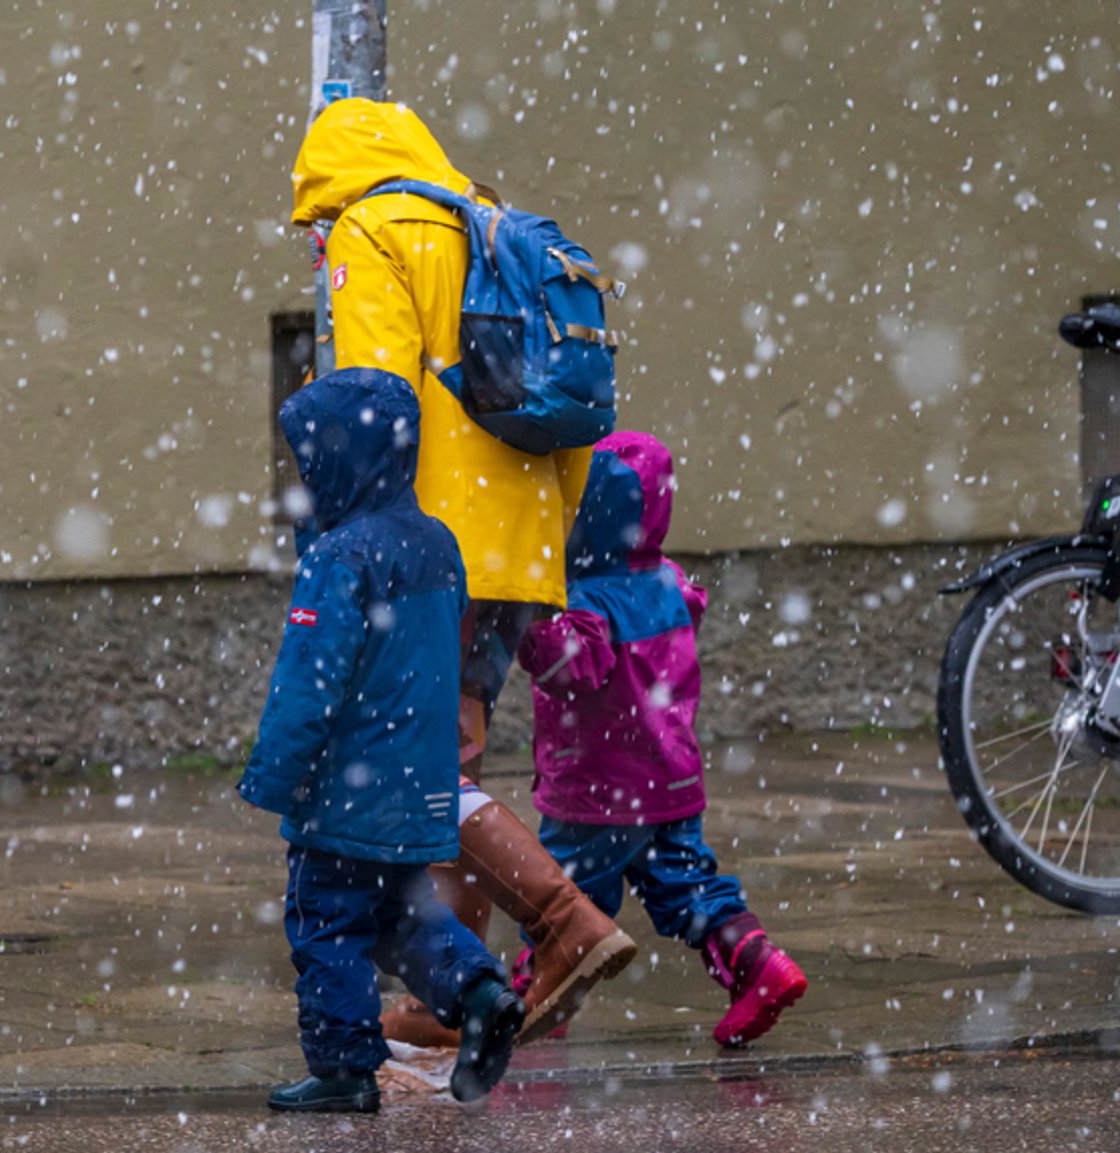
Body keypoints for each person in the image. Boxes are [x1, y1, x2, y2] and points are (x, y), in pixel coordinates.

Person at [289, 98, 636, 1046]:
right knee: (455, 756)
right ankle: (460, 1000)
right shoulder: (491, 224)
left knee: (426, 769)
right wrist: (539, 540)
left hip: (428, 544)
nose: (318, 245)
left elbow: (374, 406)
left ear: (335, 192)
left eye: (314, 225)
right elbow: (573, 410)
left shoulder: (375, 228)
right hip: (518, 539)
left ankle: (565, 923)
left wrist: (361, 552)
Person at [236, 367, 525, 1112]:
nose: (306, 478)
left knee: (324, 915)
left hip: (346, 785)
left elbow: (311, 682)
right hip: (415, 779)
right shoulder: (437, 543)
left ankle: (342, 1068)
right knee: (401, 912)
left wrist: (274, 774)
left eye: (312, 461)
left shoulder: (340, 558)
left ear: (342, 459)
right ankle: (483, 990)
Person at [512, 431, 807, 1047]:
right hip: (670, 781)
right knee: (687, 884)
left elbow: (575, 668)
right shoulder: (670, 582)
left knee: (562, 898)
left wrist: (528, 626)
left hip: (598, 790)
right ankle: (757, 964)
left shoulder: (588, 601)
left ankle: (533, 1000)